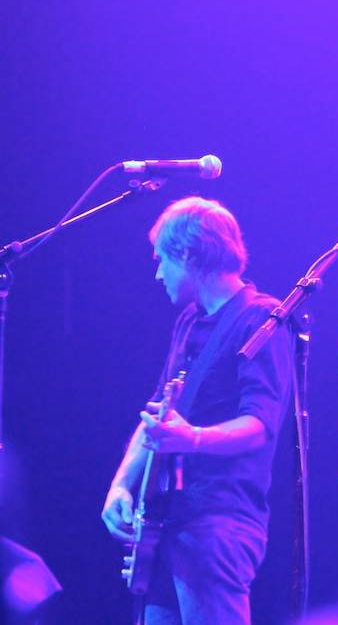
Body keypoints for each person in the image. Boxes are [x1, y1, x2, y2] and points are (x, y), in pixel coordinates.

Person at [101, 197, 293, 624]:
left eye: (162, 261)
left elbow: (261, 424)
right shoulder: (189, 320)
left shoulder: (261, 319)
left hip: (218, 520)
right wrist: (121, 486)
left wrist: (193, 439)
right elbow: (156, 413)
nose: (158, 275)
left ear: (187, 254)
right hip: (167, 519)